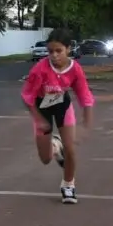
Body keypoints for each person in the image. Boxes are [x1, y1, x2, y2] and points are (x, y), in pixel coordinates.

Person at [21, 29, 95, 204]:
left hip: (61, 103)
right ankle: (54, 145)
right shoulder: (40, 69)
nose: (54, 56)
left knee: (70, 149)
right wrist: (38, 119)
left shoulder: (75, 69)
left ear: (68, 49)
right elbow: (27, 96)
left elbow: (85, 95)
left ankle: (68, 185)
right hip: (41, 107)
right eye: (50, 51)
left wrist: (87, 123)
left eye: (58, 51)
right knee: (45, 159)